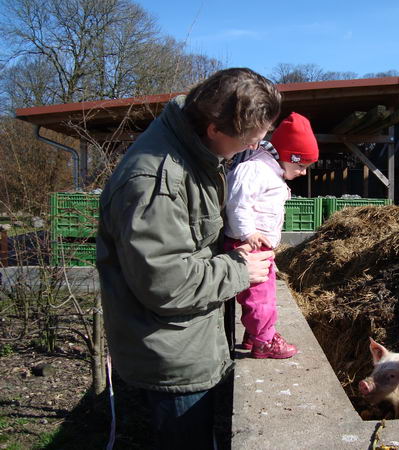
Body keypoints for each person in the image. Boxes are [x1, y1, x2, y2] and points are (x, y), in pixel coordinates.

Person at [96, 68, 281, 449]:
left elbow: (186, 243)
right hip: (171, 354)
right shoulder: (156, 182)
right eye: (252, 137)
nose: (258, 143)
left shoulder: (193, 152)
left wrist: (230, 250)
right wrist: (238, 269)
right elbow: (165, 283)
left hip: (186, 340)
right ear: (215, 129)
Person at [224, 112, 319, 359]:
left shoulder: (270, 171)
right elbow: (237, 203)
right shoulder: (255, 169)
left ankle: (253, 335)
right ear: (288, 156)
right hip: (248, 245)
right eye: (301, 166)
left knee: (259, 295)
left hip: (258, 244)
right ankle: (264, 342)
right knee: (261, 297)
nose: (303, 172)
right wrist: (248, 232)